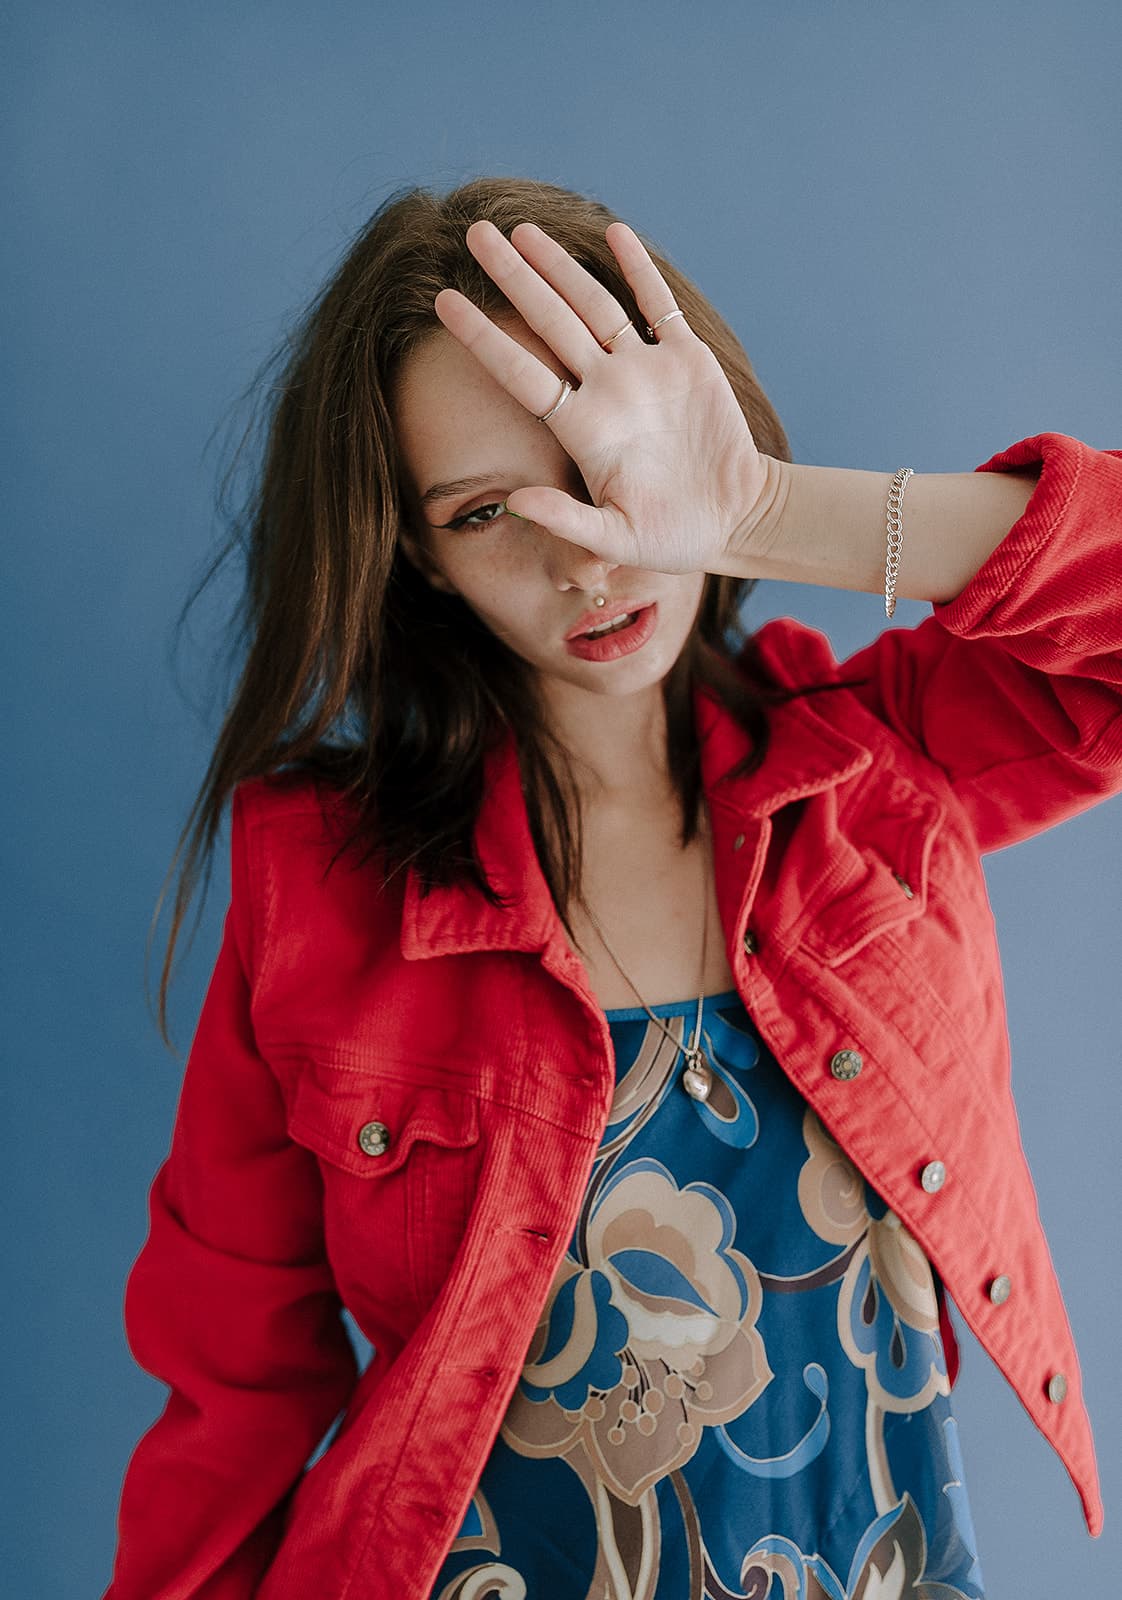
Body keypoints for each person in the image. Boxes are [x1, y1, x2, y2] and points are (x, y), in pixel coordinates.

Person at [104, 176, 1118, 1600]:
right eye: (485, 514)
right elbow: (230, 1398)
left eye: (606, 470)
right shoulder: (316, 887)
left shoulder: (879, 777)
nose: (585, 554)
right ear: (420, 561)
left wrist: (757, 509)